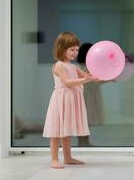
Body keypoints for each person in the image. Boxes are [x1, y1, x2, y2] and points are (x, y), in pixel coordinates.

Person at [43, 32, 98, 169]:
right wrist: (85, 79)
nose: (75, 52)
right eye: (72, 49)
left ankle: (68, 157)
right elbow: (68, 82)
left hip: (70, 101)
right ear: (62, 48)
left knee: (67, 130)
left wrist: (95, 76)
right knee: (56, 132)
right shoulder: (59, 65)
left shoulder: (73, 67)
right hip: (61, 101)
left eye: (77, 49)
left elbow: (86, 76)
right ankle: (54, 159)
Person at [76, 43, 106, 146]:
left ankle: (85, 142)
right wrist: (109, 79)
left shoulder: (84, 67)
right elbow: (94, 81)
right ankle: (82, 143)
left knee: (85, 121)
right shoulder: (85, 68)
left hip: (88, 96)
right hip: (86, 96)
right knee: (84, 121)